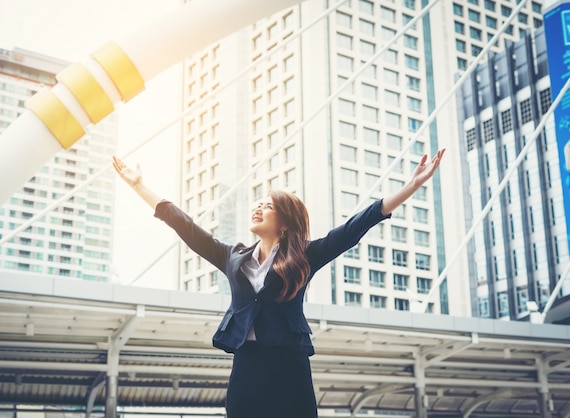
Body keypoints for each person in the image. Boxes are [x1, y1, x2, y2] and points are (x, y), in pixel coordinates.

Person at [112, 148, 445, 418]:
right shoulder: (233, 257)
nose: (258, 208)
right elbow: (184, 226)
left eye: (268, 206)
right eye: (259, 203)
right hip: (247, 361)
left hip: (288, 362)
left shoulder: (306, 256)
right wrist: (138, 185)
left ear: (285, 224)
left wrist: (412, 186)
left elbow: (357, 226)